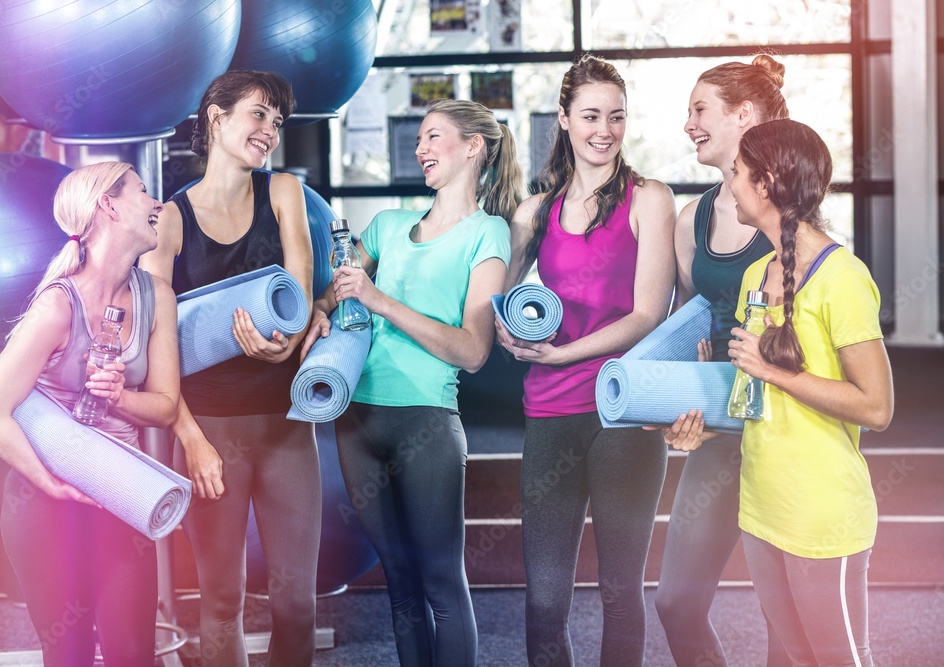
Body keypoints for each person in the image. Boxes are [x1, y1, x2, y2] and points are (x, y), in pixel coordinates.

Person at [301, 98, 525, 666]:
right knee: (398, 582)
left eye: (433, 137)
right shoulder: (387, 225)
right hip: (357, 422)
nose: (420, 149)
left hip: (426, 423)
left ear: (473, 146)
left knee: (441, 584)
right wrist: (323, 310)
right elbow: (336, 295)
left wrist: (380, 300)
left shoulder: (488, 234)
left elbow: (473, 350)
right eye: (420, 139)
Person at [495, 54, 676, 666]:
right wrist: (509, 336)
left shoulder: (650, 198)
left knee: (621, 589)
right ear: (565, 120)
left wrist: (562, 351)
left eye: (617, 117)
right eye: (592, 115)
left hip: (625, 408)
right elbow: (494, 304)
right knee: (545, 599)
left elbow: (648, 312)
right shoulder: (534, 212)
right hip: (550, 411)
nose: (605, 129)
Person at [138, 70, 319, 667]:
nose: (270, 131)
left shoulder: (284, 194)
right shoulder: (168, 219)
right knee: (221, 598)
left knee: (296, 601)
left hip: (286, 423)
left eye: (278, 121)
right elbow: (155, 345)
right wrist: (190, 439)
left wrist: (286, 344)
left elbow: (299, 296)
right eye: (259, 115)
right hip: (208, 428)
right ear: (216, 117)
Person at [0, 161, 180, 667]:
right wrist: (48, 483)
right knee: (69, 653)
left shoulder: (158, 298)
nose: (158, 205)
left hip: (120, 494)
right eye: (145, 193)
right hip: (45, 504)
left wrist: (119, 398)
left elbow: (167, 407)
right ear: (108, 205)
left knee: (133, 655)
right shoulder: (57, 306)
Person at [723, 118, 892, 666]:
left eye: (737, 172)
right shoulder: (755, 275)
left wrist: (775, 373)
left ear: (766, 182)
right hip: (762, 502)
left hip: (823, 514)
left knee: (840, 659)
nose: (729, 184)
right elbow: (751, 393)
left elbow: (877, 406)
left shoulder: (842, 277)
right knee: (792, 660)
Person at [654, 55, 792, 667]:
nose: (688, 124)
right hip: (716, 431)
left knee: (785, 618)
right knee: (676, 604)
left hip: (787, 433)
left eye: (699, 109)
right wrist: (674, 407)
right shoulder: (693, 218)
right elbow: (681, 334)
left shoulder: (796, 214)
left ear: (744, 114)